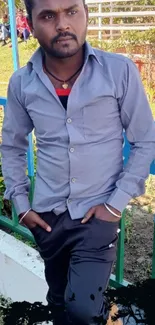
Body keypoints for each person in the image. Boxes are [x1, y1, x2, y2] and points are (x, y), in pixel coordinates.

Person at [1, 0, 155, 324]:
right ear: (30, 22)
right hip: (47, 217)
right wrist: (21, 204)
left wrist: (114, 206)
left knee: (82, 309)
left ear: (86, 13)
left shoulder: (119, 72)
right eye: (48, 15)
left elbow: (145, 139)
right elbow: (13, 146)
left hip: (97, 216)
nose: (62, 24)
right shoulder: (21, 83)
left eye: (71, 11)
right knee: (58, 301)